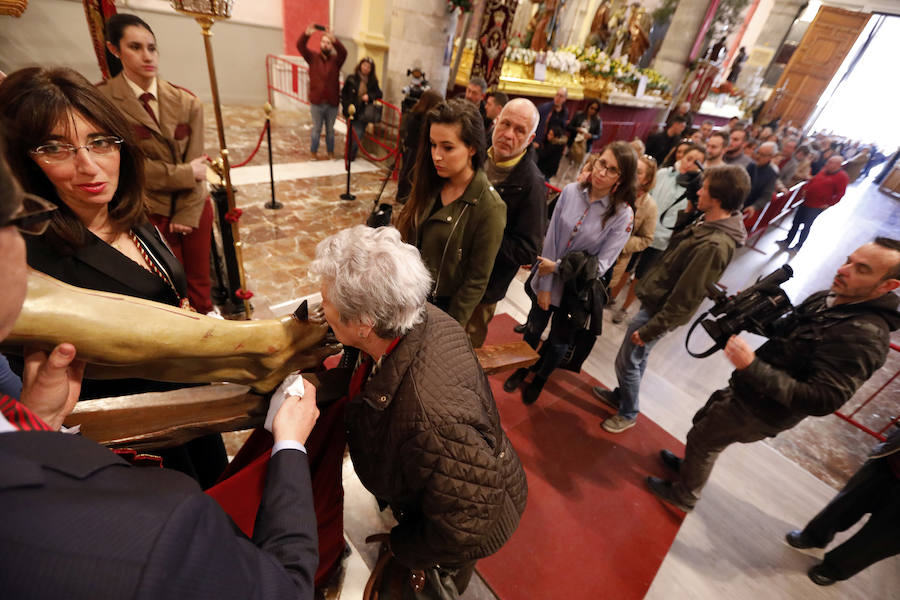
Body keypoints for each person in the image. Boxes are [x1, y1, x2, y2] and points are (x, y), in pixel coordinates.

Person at [0, 133, 320, 600]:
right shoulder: (163, 528)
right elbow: (285, 589)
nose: (88, 166)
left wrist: (41, 425)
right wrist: (289, 447)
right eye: (15, 223)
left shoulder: (135, 219)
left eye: (101, 142)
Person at [0, 66, 233, 484]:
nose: (89, 166)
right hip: (131, 437)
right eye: (56, 148)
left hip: (186, 404)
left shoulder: (124, 209)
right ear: (26, 163)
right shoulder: (33, 261)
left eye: (100, 142)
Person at [310, 225, 527, 598]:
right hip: (447, 484)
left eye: (326, 300)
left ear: (364, 326)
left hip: (463, 519)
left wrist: (404, 547)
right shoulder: (417, 316)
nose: (320, 305)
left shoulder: (431, 419)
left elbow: (466, 523)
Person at [648, 238, 900, 513]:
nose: (844, 269)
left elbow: (823, 399)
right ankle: (689, 468)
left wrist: (751, 366)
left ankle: (685, 495)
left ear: (888, 286)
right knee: (703, 426)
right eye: (848, 260)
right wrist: (755, 310)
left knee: (704, 439)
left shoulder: (864, 337)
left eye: (862, 269)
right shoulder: (828, 299)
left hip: (763, 410)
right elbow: (787, 332)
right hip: (749, 389)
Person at [594, 165, 749, 433]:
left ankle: (628, 411)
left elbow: (686, 296)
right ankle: (622, 397)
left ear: (718, 198)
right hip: (657, 302)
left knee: (627, 360)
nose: (698, 191)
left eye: (705, 188)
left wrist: (652, 327)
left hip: (660, 310)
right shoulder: (707, 222)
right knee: (636, 359)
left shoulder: (715, 244)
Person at [503, 142, 636, 405]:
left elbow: (602, 265)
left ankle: (540, 378)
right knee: (533, 328)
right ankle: (522, 367)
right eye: (601, 164)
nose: (602, 172)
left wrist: (560, 268)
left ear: (621, 179)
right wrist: (545, 283)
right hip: (547, 279)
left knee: (558, 342)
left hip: (576, 292)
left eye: (612, 170)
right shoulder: (572, 192)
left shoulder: (622, 215)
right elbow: (551, 238)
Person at [99, 14, 214, 315]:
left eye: (152, 47)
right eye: (135, 47)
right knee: (167, 286)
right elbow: (129, 169)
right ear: (114, 50)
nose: (147, 56)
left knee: (201, 283)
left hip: (193, 205)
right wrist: (185, 173)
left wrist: (188, 211)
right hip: (147, 208)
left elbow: (199, 164)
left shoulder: (187, 102)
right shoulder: (104, 103)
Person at [395, 98, 506, 328]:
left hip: (441, 311)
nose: (436, 155)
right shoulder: (432, 181)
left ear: (472, 148)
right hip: (408, 296)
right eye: (433, 144)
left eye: (447, 147)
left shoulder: (489, 206)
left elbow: (476, 281)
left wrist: (448, 327)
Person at [466, 98, 546, 348]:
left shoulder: (531, 184)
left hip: (485, 287)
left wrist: (482, 241)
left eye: (519, 130)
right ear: (495, 122)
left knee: (464, 346)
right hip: (450, 270)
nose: (508, 134)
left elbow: (528, 249)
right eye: (506, 124)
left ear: (530, 139)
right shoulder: (473, 155)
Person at [785, 427, 900, 586]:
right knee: (846, 503)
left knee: (880, 539)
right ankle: (815, 536)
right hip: (891, 462)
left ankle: (836, 568)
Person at [607, 154, 658, 324]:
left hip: (617, 258)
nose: (634, 174)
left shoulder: (650, 206)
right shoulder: (615, 189)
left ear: (647, 180)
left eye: (640, 172)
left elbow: (646, 238)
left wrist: (621, 242)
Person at [776, 155, 848, 252]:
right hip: (806, 201)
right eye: (828, 161)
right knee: (796, 222)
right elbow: (813, 180)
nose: (827, 163)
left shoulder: (842, 177)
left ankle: (798, 246)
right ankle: (788, 240)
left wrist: (829, 204)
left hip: (817, 206)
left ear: (838, 165)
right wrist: (806, 189)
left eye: (830, 162)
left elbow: (840, 194)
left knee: (806, 226)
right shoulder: (824, 170)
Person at [297, 23, 347, 160]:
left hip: (332, 103)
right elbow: (300, 46)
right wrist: (307, 34)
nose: (326, 44)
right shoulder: (312, 57)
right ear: (320, 44)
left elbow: (344, 52)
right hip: (317, 102)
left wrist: (334, 39)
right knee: (317, 129)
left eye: (329, 43)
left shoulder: (336, 60)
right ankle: (314, 152)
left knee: (330, 130)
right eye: (324, 42)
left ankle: (330, 153)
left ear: (331, 46)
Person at [396, 89, 443, 204]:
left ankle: (403, 197)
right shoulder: (420, 118)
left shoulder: (415, 113)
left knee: (407, 174)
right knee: (410, 176)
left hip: (412, 151)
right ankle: (405, 198)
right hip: (416, 152)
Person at [341, 57, 382, 162]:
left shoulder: (373, 82)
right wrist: (346, 107)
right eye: (364, 65)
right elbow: (344, 93)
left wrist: (369, 96)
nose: (366, 68)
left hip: (363, 113)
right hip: (350, 111)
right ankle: (348, 156)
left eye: (368, 67)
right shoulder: (351, 78)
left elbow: (379, 93)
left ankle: (351, 157)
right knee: (351, 135)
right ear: (360, 65)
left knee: (357, 136)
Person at [742, 141, 779, 216]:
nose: (758, 156)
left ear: (771, 157)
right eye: (757, 152)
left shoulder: (771, 174)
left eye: (763, 155)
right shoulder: (751, 165)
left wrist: (754, 206)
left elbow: (766, 196)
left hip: (746, 207)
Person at [566, 99, 603, 167]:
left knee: (577, 168)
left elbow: (599, 135)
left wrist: (591, 136)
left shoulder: (598, 120)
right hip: (572, 143)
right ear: (588, 106)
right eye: (591, 108)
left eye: (595, 109)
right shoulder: (579, 115)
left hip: (585, 147)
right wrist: (577, 129)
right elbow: (569, 127)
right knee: (565, 165)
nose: (592, 111)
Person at [533, 87, 569, 152]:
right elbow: (535, 124)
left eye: (561, 96)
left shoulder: (565, 112)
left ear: (565, 99)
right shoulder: (544, 108)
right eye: (557, 95)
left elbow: (563, 128)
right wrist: (535, 141)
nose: (558, 97)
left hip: (554, 144)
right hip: (541, 143)